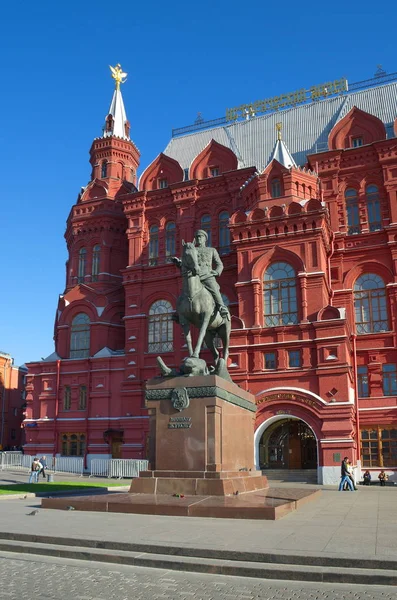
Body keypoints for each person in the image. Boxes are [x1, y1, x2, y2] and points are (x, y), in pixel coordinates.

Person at [172, 230, 230, 320]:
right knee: (185, 291)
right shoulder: (192, 249)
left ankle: (221, 307)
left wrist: (217, 271)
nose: (199, 238)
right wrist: (179, 263)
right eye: (197, 237)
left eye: (201, 236)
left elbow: (219, 264)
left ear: (205, 239)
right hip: (195, 276)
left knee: (214, 288)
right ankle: (179, 312)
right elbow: (186, 263)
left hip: (207, 275)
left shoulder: (211, 250)